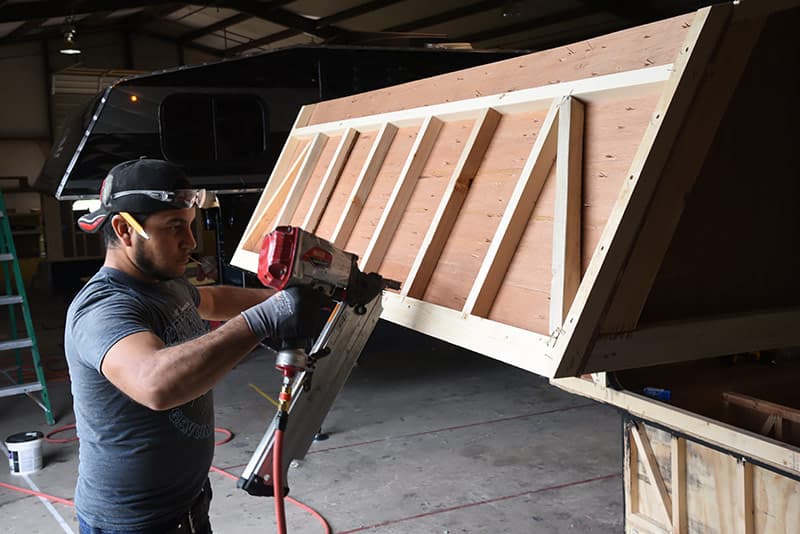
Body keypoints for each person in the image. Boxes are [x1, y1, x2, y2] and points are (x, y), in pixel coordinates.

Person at [65, 158, 330, 534]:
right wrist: (268, 317)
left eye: (190, 226)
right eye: (175, 227)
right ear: (125, 229)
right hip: (134, 524)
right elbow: (155, 383)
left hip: (187, 504)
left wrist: (291, 297)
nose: (190, 242)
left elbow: (214, 300)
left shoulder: (163, 282)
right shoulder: (104, 307)